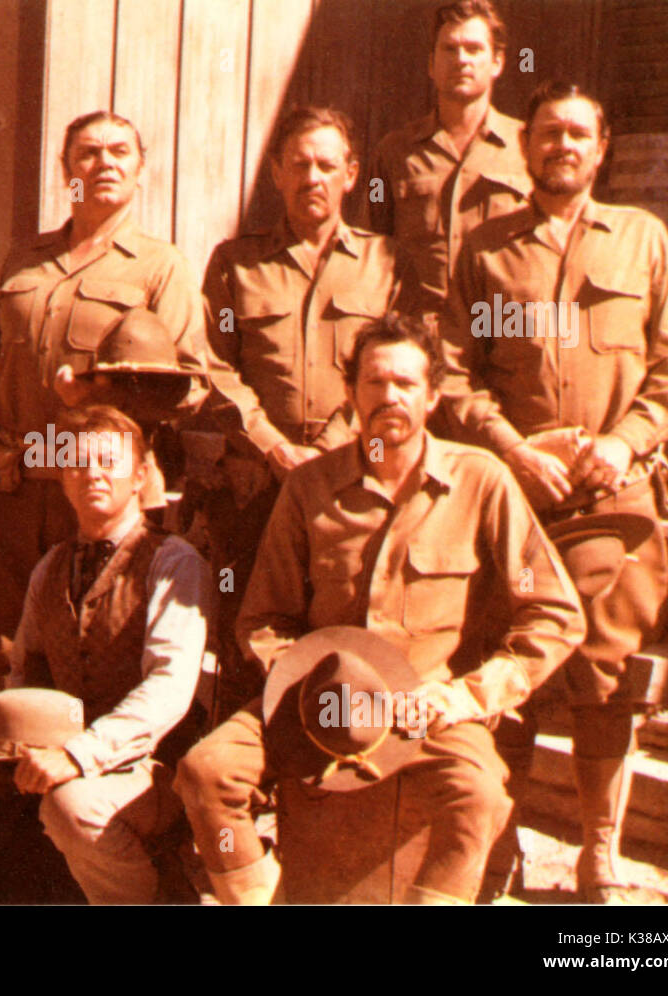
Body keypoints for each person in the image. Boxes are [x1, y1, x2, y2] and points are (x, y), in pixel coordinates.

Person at [174, 315, 585, 904]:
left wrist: (472, 694)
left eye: (406, 383)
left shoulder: (480, 481)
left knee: (481, 797)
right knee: (205, 773)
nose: (389, 396)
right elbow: (263, 618)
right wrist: (305, 681)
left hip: (429, 705)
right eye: (374, 382)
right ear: (352, 394)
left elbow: (552, 610)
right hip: (318, 700)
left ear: (432, 395)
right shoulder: (309, 488)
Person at [439, 81, 668, 902]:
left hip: (609, 494)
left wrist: (625, 443)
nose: (562, 145)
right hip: (512, 494)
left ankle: (598, 850)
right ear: (526, 149)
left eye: (578, 134)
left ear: (602, 147)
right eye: (548, 132)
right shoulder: (485, 251)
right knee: (502, 648)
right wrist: (511, 449)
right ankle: (499, 836)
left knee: (597, 656)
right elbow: (454, 373)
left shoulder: (642, 240)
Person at [0, 109, 267, 684]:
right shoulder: (23, 260)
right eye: (88, 152)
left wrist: (103, 393)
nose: (104, 163)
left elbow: (193, 386)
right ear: (66, 170)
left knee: (103, 644)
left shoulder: (161, 267)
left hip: (106, 490)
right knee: (13, 651)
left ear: (140, 170)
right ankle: (12, 768)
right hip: (17, 489)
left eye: (120, 152)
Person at [191, 104, 400, 714]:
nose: (313, 178)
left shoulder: (386, 264)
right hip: (257, 483)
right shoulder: (236, 263)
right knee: (247, 638)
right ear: (277, 174)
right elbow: (213, 363)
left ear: (352, 174)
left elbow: (392, 365)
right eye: (299, 165)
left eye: (326, 165)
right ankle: (238, 778)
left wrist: (336, 443)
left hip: (352, 480)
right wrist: (273, 446)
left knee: (343, 628)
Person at [8, 405, 214, 904]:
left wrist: (79, 755)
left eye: (108, 460)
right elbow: (24, 672)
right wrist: (21, 748)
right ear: (62, 477)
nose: (92, 472)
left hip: (157, 768)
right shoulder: (50, 567)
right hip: (66, 759)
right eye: (78, 461)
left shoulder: (173, 561)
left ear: (140, 476)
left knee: (73, 808)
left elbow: (169, 688)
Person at [363, 0, 530, 317]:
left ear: (497, 62)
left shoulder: (526, 148)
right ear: (431, 64)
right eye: (449, 49)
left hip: (502, 333)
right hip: (421, 340)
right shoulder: (394, 153)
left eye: (474, 49)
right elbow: (369, 255)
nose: (461, 59)